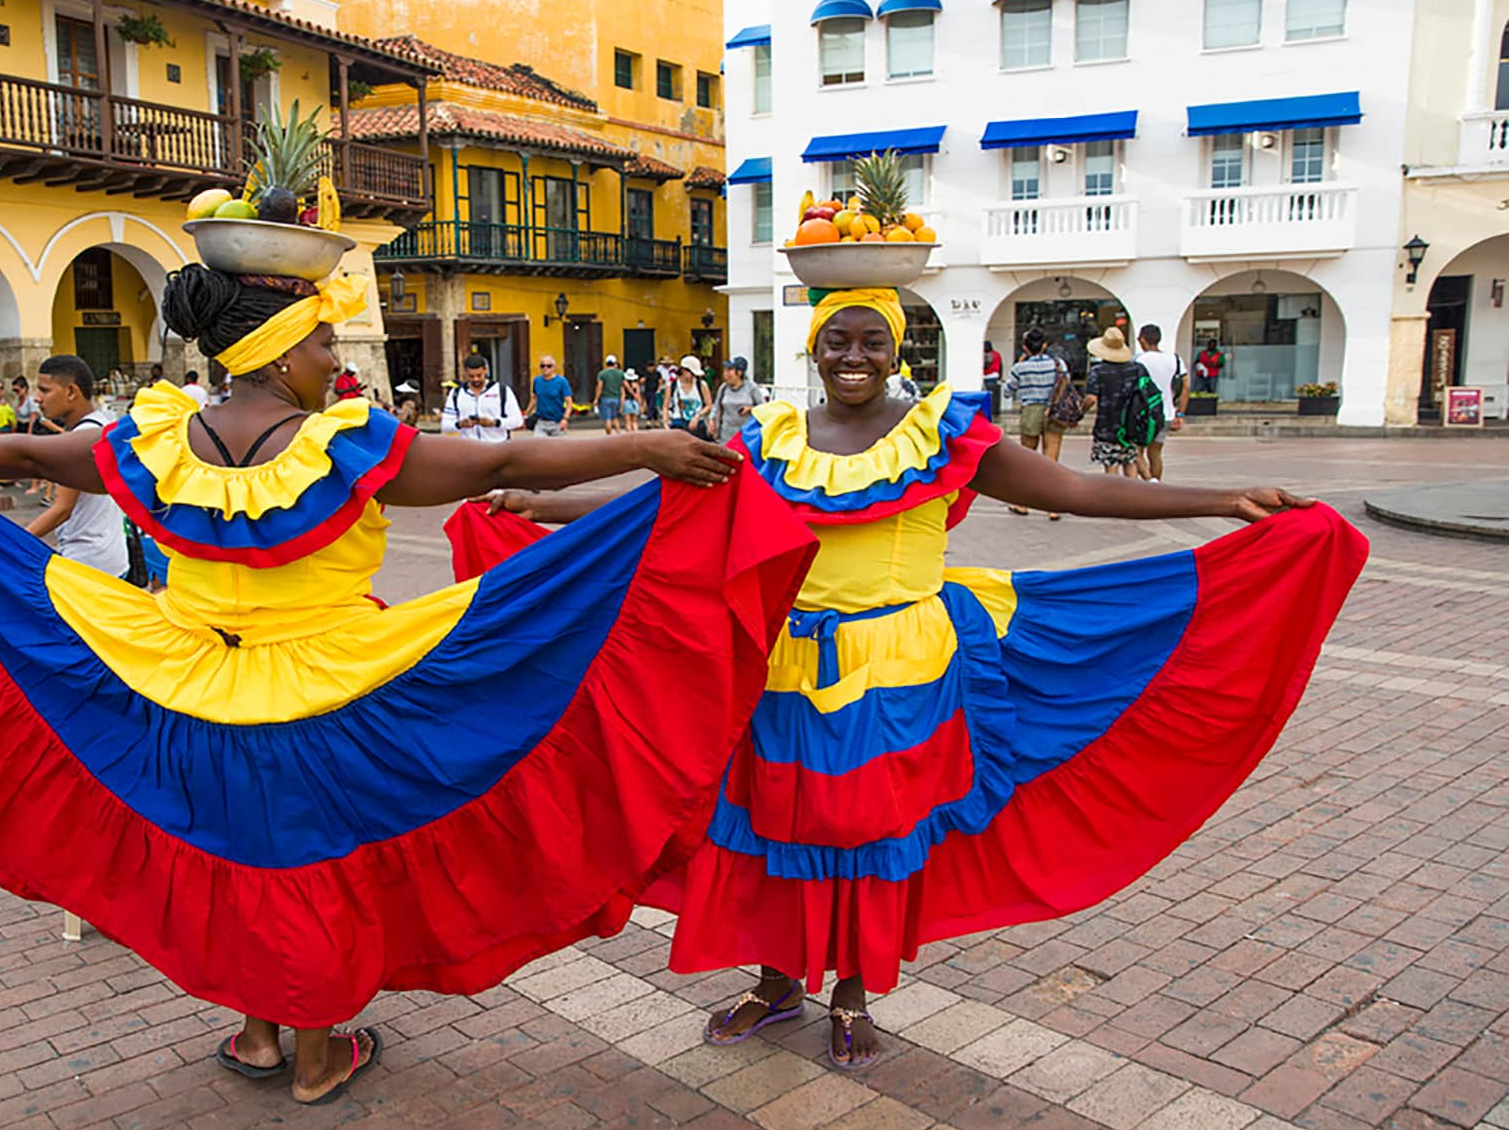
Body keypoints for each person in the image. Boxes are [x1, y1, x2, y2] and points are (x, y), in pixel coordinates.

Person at [0, 255, 816, 1106]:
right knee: (308, 862)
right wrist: (643, 447)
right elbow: (501, 460)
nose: (336, 360)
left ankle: (255, 1032)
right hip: (331, 700)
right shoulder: (345, 447)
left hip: (177, 690)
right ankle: (321, 1048)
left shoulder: (154, 440)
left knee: (237, 849)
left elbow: (26, 450)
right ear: (282, 351)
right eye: (326, 343)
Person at [456, 283, 1366, 1068]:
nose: (854, 355)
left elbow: (1072, 491)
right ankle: (778, 982)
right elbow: (662, 505)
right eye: (836, 340)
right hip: (783, 666)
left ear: (898, 350)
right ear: (812, 350)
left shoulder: (940, 429)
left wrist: (1219, 499)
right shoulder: (770, 434)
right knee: (776, 822)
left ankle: (851, 990)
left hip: (904, 663)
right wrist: (541, 505)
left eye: (872, 340)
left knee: (868, 828)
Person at [24, 355, 129, 580]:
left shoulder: (78, 441)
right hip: (110, 555)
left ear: (71, 392)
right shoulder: (102, 425)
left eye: (44, 390)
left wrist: (15, 540)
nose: (37, 398)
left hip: (87, 562)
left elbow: (62, 508)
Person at [1003, 328, 1070, 518]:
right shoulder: (1058, 364)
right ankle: (1052, 507)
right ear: (1044, 346)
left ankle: (1023, 504)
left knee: (1028, 460)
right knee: (1051, 461)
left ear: (1025, 348)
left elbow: (1008, 391)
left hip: (1031, 409)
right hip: (1055, 410)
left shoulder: (1020, 368)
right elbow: (1066, 384)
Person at [1084, 327, 1144, 478]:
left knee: (1111, 465)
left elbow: (1091, 398)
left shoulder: (1098, 371)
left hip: (1107, 426)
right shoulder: (1136, 369)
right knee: (1130, 462)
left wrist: (1081, 411)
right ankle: (1133, 496)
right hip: (1131, 425)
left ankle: (1114, 498)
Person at [1136, 324, 1185, 481]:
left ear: (1142, 340)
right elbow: (1186, 387)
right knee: (1155, 452)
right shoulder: (1175, 359)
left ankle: (1150, 481)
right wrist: (1180, 413)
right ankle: (1157, 484)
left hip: (1144, 413)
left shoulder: (1139, 360)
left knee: (1136, 452)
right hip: (1167, 413)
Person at [440, 352, 523, 442]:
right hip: (469, 447)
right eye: (471, 376)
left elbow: (518, 421)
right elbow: (445, 425)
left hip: (497, 446)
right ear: (465, 372)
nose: (475, 379)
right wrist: (460, 424)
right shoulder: (456, 393)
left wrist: (494, 423)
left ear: (486, 370)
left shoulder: (502, 390)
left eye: (479, 375)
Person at [708, 357, 766, 446]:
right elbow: (716, 406)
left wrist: (750, 409)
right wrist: (711, 419)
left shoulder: (751, 388)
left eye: (729, 370)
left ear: (739, 373)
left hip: (747, 435)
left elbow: (764, 408)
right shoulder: (724, 388)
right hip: (726, 434)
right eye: (725, 370)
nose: (725, 374)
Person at [666, 356, 712, 434]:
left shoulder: (701, 385)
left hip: (697, 423)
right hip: (678, 422)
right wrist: (666, 422)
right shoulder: (672, 385)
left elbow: (709, 405)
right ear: (683, 371)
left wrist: (698, 416)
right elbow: (665, 406)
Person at [531, 355, 571, 437]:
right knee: (539, 446)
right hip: (541, 421)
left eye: (548, 366)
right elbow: (534, 399)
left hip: (557, 422)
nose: (545, 368)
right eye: (542, 366)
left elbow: (569, 402)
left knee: (558, 448)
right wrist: (526, 415)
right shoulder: (537, 381)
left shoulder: (561, 381)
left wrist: (565, 419)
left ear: (553, 367)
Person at [596, 355, 624, 435]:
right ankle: (619, 435)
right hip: (616, 398)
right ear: (615, 363)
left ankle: (609, 435)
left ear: (606, 363)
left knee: (607, 418)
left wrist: (596, 399)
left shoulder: (602, 374)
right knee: (615, 417)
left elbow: (600, 387)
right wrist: (633, 394)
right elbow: (625, 385)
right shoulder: (620, 373)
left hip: (605, 398)